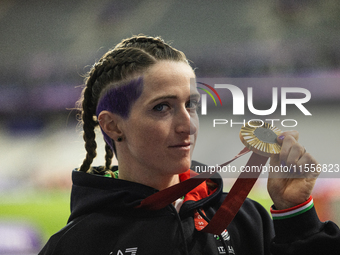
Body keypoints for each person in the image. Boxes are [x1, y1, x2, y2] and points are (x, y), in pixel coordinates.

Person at [39, 35, 340, 255]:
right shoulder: (75, 244)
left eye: (191, 104)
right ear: (113, 125)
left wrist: (296, 215)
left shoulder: (246, 219)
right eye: (162, 108)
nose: (188, 125)